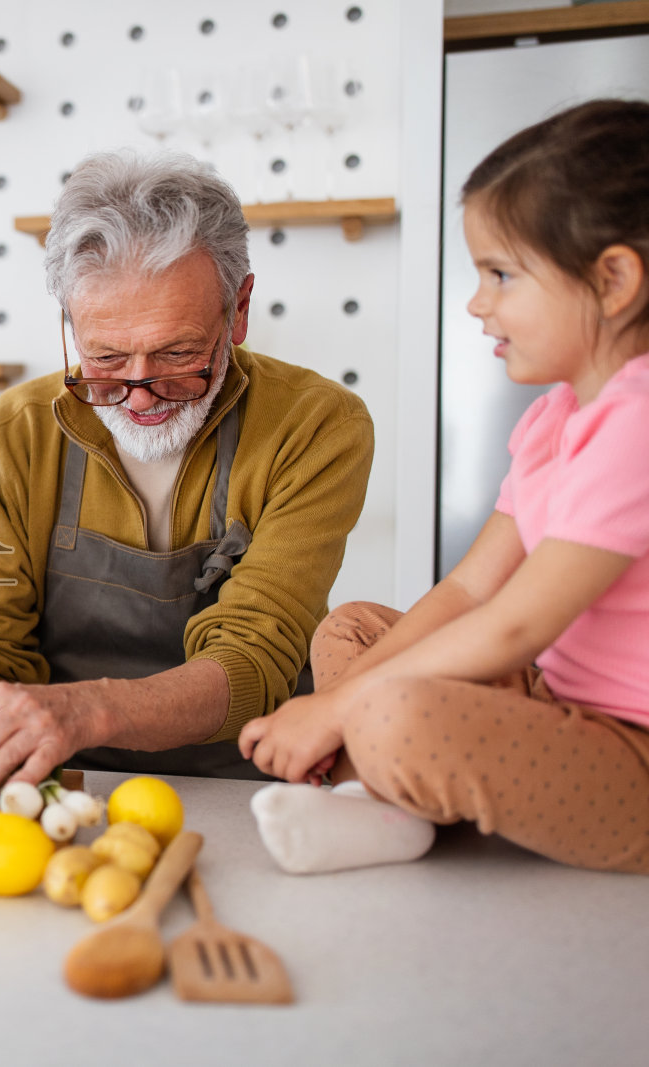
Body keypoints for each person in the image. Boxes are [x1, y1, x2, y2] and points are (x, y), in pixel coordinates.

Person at [0, 150, 375, 805]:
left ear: (239, 311)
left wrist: (86, 710)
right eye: (107, 358)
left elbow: (252, 658)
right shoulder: (15, 432)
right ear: (69, 327)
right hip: (60, 786)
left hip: (253, 785)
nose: (140, 394)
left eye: (177, 354)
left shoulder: (315, 425)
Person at [241, 99, 649, 876]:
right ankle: (382, 802)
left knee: (389, 709)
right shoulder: (556, 416)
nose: (476, 302)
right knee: (352, 631)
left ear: (614, 280)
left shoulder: (638, 424)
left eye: (502, 274)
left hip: (631, 751)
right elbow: (468, 589)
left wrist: (337, 707)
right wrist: (341, 697)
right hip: (556, 699)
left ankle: (379, 801)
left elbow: (514, 625)